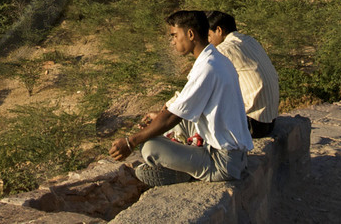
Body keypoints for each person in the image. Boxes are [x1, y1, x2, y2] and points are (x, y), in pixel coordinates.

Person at [108, 10, 252, 186]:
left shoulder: (207, 67)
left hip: (222, 163)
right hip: (236, 155)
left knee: (149, 147)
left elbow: (171, 117)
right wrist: (158, 118)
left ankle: (187, 173)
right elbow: (180, 110)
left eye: (175, 35)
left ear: (190, 34)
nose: (173, 41)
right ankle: (187, 161)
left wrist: (130, 143)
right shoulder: (216, 59)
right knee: (166, 124)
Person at [207, 10, 281, 138]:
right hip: (270, 121)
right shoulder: (250, 40)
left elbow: (205, 85)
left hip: (252, 125)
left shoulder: (224, 49)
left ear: (219, 30)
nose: (209, 41)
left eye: (208, 35)